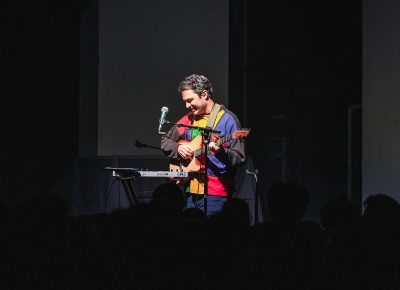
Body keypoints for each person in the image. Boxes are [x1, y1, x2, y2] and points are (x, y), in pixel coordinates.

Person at [161, 74, 246, 216]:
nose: (187, 106)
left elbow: (239, 157)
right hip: (189, 192)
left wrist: (220, 152)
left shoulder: (227, 119)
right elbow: (166, 141)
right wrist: (178, 148)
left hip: (217, 194)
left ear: (204, 94)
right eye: (185, 101)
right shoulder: (188, 119)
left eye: (190, 100)